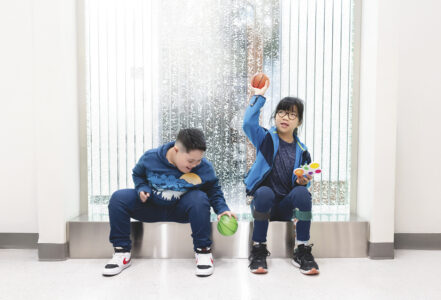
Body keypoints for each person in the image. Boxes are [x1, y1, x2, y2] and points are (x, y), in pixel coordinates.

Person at [102, 128, 236, 277]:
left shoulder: (203, 167)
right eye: (191, 161)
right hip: (151, 206)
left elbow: (213, 190)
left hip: (181, 210)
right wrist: (142, 188)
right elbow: (138, 174)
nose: (195, 165)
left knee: (200, 198)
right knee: (118, 198)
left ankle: (203, 251)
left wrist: (222, 209)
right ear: (176, 150)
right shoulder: (150, 157)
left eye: (198, 160)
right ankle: (122, 253)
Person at [243, 81, 319, 275]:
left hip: (286, 206)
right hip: (263, 202)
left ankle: (301, 249)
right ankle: (258, 248)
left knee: (303, 193)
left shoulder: (303, 151)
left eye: (292, 114)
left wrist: (304, 181)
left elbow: (304, 178)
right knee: (265, 192)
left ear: (299, 121)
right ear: (275, 116)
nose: (285, 117)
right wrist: (258, 96)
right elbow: (248, 124)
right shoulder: (266, 138)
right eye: (281, 112)